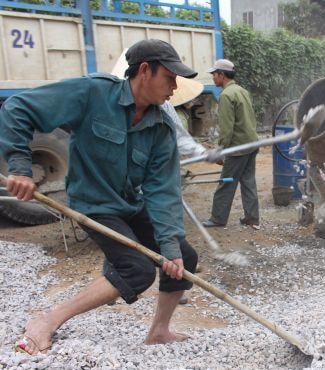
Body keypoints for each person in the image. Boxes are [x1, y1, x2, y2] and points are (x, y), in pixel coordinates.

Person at [0, 39, 199, 354]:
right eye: (169, 77)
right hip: (93, 204)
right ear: (144, 71)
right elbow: (18, 109)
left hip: (128, 204)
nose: (174, 87)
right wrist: (21, 168)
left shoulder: (160, 128)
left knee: (184, 258)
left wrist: (170, 247)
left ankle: (159, 331)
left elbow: (163, 191)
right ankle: (48, 321)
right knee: (137, 269)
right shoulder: (92, 93)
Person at [202, 59, 260, 230]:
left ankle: (218, 218)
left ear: (222, 75)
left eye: (214, 74)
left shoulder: (227, 95)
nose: (213, 77)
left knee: (226, 183)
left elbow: (226, 129)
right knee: (248, 181)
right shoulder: (242, 91)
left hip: (238, 148)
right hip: (251, 143)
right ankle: (252, 218)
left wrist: (220, 151)